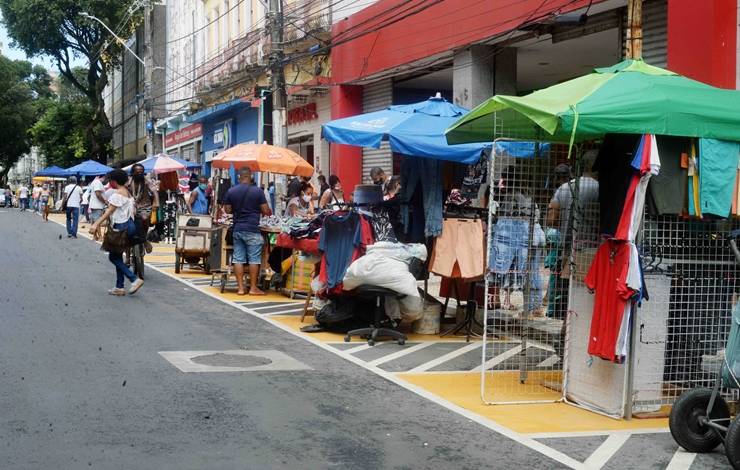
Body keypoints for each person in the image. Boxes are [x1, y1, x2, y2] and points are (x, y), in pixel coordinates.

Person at [89, 169, 144, 296]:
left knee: (113, 257)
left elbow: (109, 212)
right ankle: (119, 287)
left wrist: (96, 224)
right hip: (129, 227)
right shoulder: (128, 193)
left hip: (120, 227)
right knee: (118, 256)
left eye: (110, 181)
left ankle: (134, 279)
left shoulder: (117, 194)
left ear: (114, 181)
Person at [224, 167, 271, 296]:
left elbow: (227, 210)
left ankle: (240, 288)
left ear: (239, 177)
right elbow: (266, 211)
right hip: (252, 229)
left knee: (238, 258)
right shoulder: (258, 192)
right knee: (254, 260)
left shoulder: (231, 191)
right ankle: (253, 288)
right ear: (251, 176)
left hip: (238, 229)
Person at [127, 163, 159, 251]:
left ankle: (144, 239)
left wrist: (156, 202)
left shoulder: (146, 181)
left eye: (141, 172)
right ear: (133, 173)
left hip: (144, 206)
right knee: (126, 229)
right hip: (130, 206)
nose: (139, 174)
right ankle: (128, 257)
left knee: (144, 218)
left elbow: (154, 191)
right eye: (137, 172)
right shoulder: (128, 182)